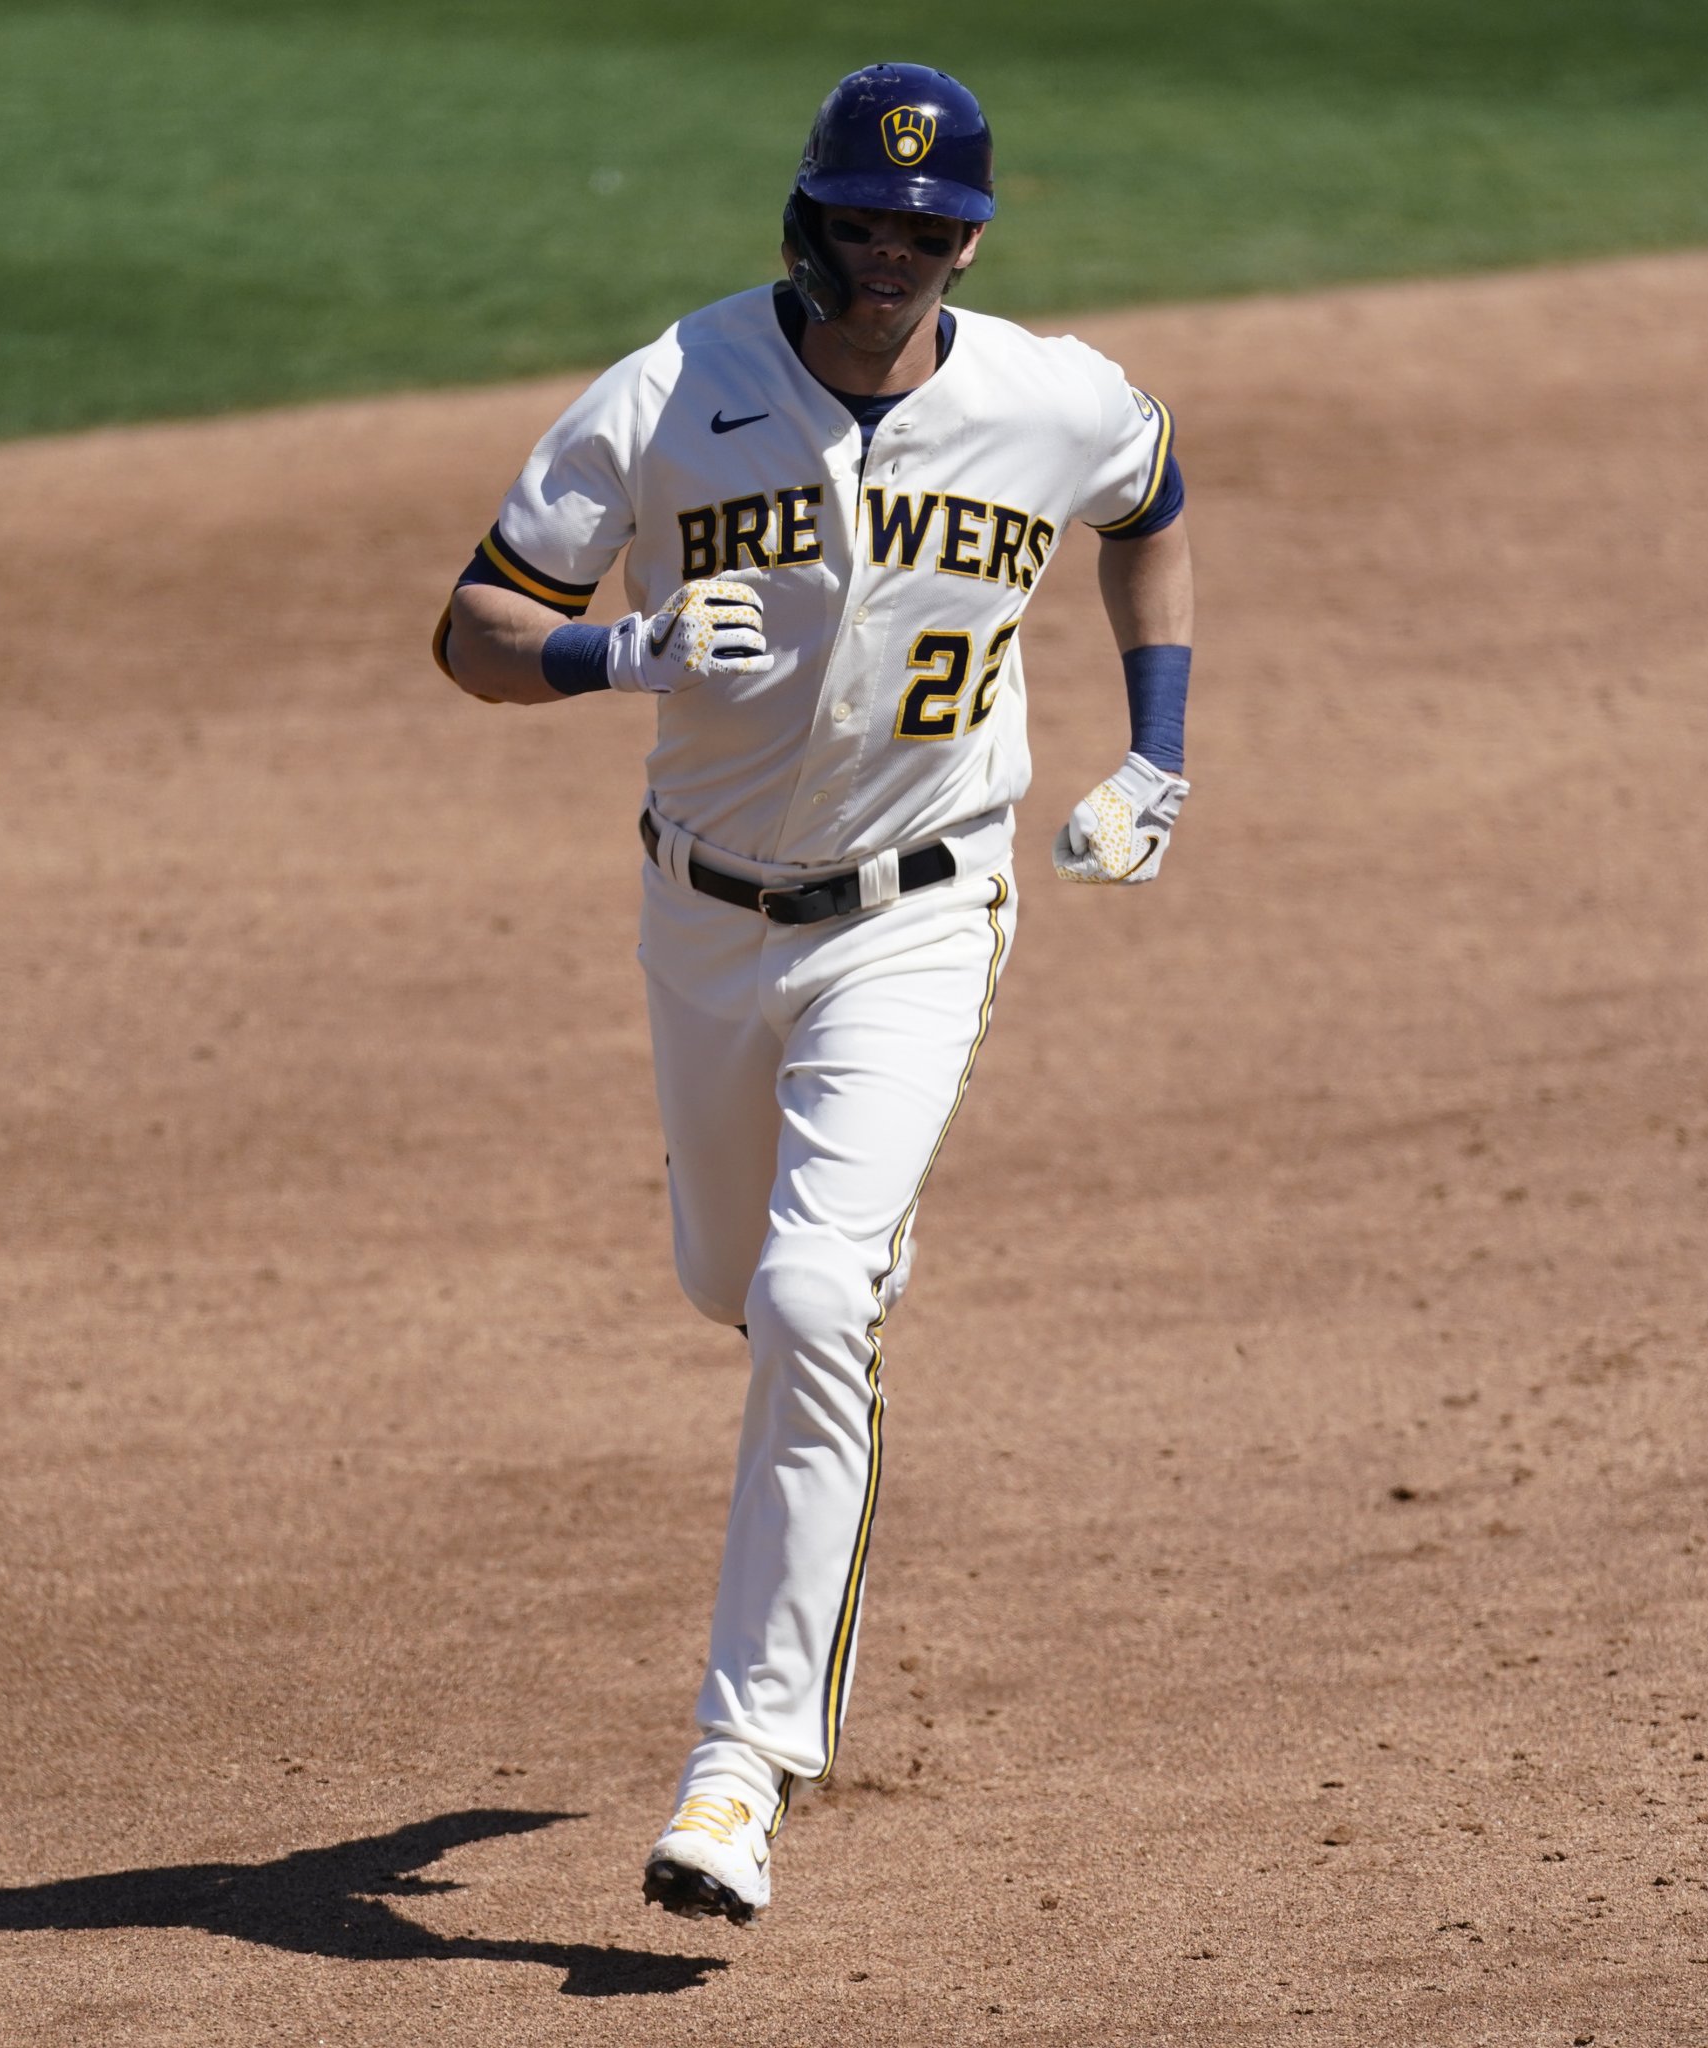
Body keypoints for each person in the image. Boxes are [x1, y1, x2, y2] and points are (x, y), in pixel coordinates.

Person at [432, 61, 1195, 1924]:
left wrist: (1158, 751)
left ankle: (739, 1768)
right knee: (732, 1284)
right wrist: (613, 649)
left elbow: (1154, 499)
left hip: (923, 917)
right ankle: (829, 1305)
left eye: (934, 228)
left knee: (804, 1289)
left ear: (974, 238)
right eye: (869, 218)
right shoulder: (673, 392)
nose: (899, 253)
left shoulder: (1048, 395)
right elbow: (470, 624)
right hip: (700, 921)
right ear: (812, 216)